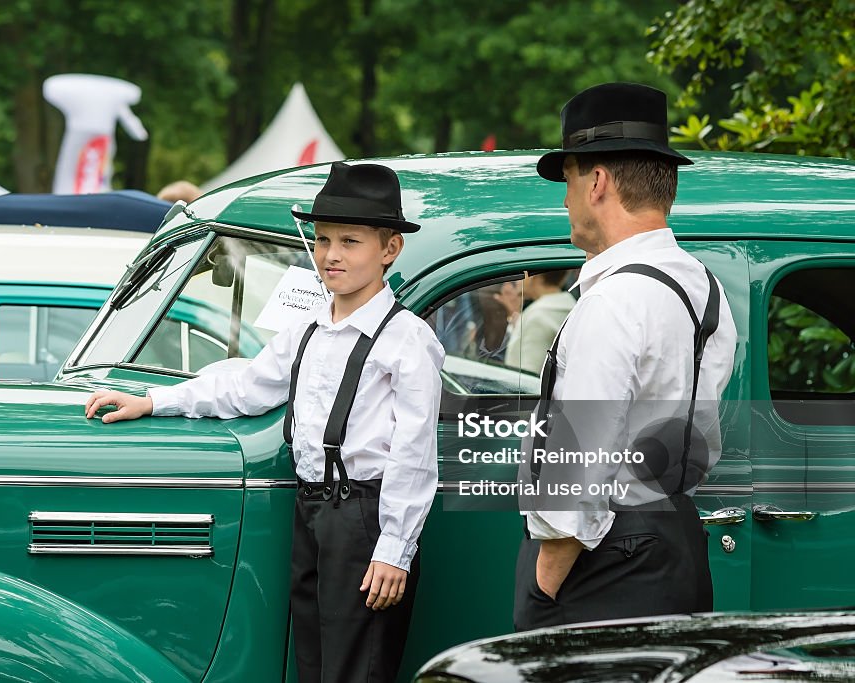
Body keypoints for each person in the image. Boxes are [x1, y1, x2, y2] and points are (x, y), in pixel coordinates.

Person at [86, 161, 444, 683]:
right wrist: (154, 401)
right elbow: (246, 387)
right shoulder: (309, 328)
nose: (332, 255)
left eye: (350, 241)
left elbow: (414, 451)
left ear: (389, 249)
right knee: (313, 660)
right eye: (322, 240)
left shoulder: (406, 339)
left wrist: (395, 548)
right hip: (312, 510)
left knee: (357, 667)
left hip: (366, 515)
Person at [513, 82, 737, 631]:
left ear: (597, 182)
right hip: (676, 542)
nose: (565, 199)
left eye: (567, 180)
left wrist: (543, 584)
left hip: (602, 563)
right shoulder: (704, 289)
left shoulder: (612, 302)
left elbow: (578, 470)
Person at [503, 271, 575, 375]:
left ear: (536, 276)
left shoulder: (537, 317)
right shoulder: (567, 307)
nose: (517, 280)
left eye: (522, 272)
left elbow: (528, 378)